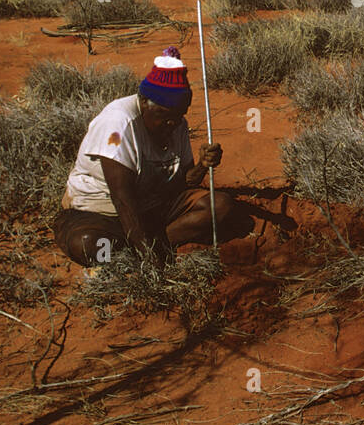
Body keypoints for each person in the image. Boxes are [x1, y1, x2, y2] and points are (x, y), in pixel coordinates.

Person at [53, 47, 234, 267]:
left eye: (179, 116)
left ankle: (144, 246)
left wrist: (203, 166)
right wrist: (150, 259)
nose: (172, 123)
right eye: (164, 116)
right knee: (88, 244)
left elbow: (184, 181)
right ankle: (145, 247)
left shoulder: (176, 124)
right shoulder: (118, 124)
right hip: (102, 211)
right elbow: (123, 199)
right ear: (145, 103)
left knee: (219, 206)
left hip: (151, 204)